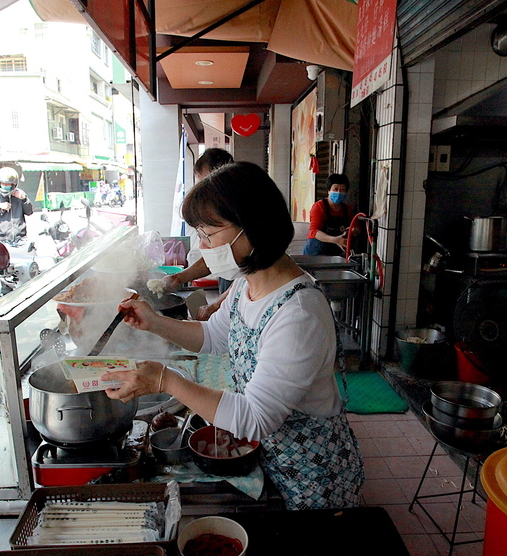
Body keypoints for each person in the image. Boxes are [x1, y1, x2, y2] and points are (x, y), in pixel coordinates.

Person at [103, 162, 365, 510]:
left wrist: (165, 380)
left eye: (207, 234)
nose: (201, 244)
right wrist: (154, 323)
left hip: (311, 477)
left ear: (251, 228)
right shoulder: (247, 284)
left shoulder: (298, 314)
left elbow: (253, 419)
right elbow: (214, 336)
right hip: (274, 455)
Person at [162, 147, 234, 320]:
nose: (203, 246)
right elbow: (218, 257)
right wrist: (179, 278)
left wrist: (217, 305)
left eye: (205, 184)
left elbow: (246, 280)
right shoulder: (222, 212)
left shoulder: (236, 215)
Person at [303, 173, 355, 257]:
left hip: (335, 253)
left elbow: (355, 227)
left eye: (342, 190)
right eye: (335, 189)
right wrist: (335, 240)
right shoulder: (319, 207)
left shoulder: (347, 209)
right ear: (328, 190)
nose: (338, 192)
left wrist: (354, 231)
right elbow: (314, 231)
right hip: (315, 253)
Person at [0, 167, 33, 244]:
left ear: (14, 184)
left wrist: (24, 199)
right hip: (2, 239)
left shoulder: (20, 194)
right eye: (3, 184)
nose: (6, 185)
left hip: (21, 239)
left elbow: (30, 212)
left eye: (8, 184)